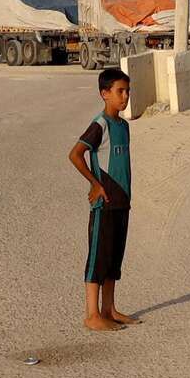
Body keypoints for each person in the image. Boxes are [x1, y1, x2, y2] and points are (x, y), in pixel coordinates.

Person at [67, 68, 142, 332]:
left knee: (113, 257)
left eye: (127, 91)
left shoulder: (123, 126)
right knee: (98, 257)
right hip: (105, 203)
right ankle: (92, 314)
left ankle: (109, 309)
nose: (125, 96)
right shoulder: (100, 124)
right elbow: (76, 154)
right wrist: (95, 184)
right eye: (120, 91)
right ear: (104, 93)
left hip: (122, 202)